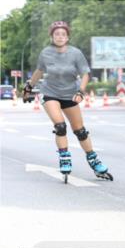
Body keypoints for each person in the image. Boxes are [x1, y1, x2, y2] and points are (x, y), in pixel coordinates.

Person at [23, 21, 112, 182]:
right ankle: (64, 157)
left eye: (63, 34)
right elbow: (39, 71)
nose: (60, 37)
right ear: (51, 37)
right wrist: (29, 87)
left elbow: (85, 74)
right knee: (60, 126)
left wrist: (81, 91)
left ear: (68, 37)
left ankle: (94, 161)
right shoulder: (45, 53)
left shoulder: (75, 53)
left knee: (80, 131)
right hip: (50, 93)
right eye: (56, 34)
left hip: (70, 94)